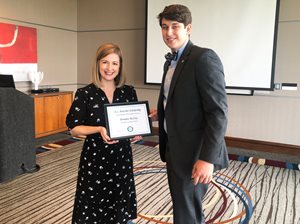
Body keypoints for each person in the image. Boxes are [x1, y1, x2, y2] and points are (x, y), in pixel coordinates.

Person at [149, 4, 229, 224]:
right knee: (183, 207)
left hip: (195, 153)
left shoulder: (203, 58)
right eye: (164, 27)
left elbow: (218, 112)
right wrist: (162, 112)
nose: (169, 33)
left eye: (175, 26)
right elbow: (178, 98)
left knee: (188, 212)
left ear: (188, 28)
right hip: (175, 148)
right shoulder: (171, 61)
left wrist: (207, 159)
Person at [66, 43, 141, 224]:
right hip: (95, 158)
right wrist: (98, 129)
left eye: (115, 63)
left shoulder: (128, 92)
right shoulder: (85, 93)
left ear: (120, 66)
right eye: (105, 62)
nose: (110, 68)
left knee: (121, 202)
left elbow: (133, 123)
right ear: (97, 64)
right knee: (93, 206)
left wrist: (135, 133)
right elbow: (74, 127)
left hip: (121, 158)